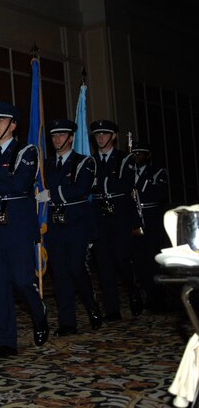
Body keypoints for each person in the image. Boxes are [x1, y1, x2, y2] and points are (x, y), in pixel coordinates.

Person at [0, 100, 48, 357]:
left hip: (17, 226)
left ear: (13, 125)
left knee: (23, 280)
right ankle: (6, 341)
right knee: (0, 286)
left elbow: (19, 184)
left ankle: (39, 312)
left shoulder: (26, 152)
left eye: (1, 121)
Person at [37, 119, 103, 336]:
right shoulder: (47, 164)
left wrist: (53, 194)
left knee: (76, 268)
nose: (57, 139)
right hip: (56, 225)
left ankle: (91, 305)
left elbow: (81, 189)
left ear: (71, 137)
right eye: (54, 136)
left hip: (77, 224)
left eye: (61, 135)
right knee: (60, 274)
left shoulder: (84, 162)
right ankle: (68, 323)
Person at [89, 119, 143, 321]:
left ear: (113, 136)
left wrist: (99, 183)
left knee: (122, 259)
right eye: (97, 135)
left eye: (105, 134)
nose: (101, 138)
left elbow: (123, 185)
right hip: (99, 217)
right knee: (103, 264)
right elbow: (90, 186)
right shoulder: (91, 161)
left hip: (120, 216)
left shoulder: (125, 158)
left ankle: (133, 290)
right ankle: (112, 309)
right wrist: (105, 184)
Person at [130, 140, 169, 312]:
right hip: (134, 220)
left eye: (140, 153)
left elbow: (159, 193)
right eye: (134, 153)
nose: (136, 156)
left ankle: (158, 297)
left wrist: (140, 188)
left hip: (151, 219)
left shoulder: (157, 172)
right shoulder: (128, 174)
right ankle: (146, 293)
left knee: (153, 259)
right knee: (138, 261)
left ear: (147, 155)